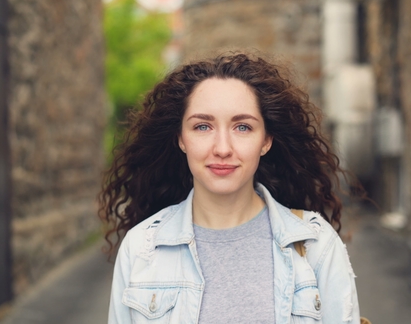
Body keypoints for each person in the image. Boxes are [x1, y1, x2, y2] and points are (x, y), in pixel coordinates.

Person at [99, 52, 362, 323]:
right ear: (180, 138)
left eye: (243, 127)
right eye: (202, 127)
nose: (222, 149)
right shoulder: (141, 248)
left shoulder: (317, 246)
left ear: (266, 140)